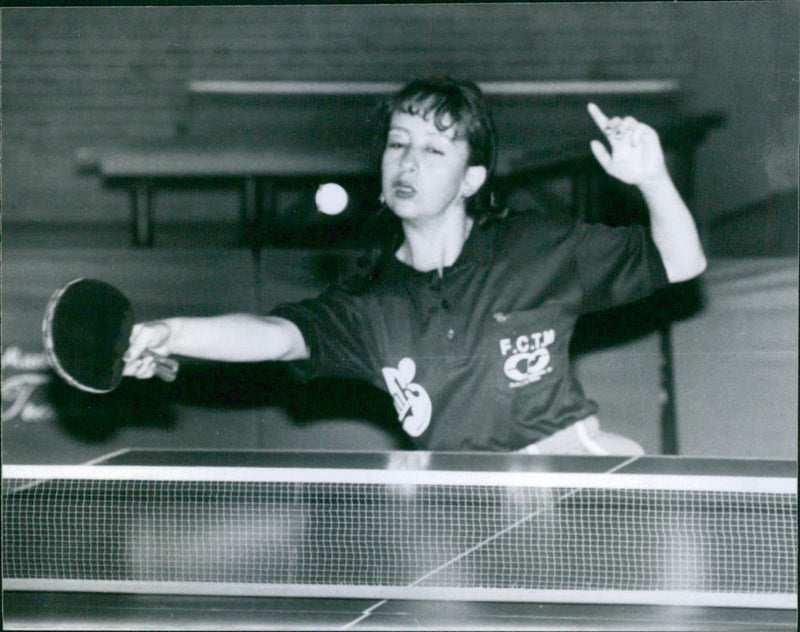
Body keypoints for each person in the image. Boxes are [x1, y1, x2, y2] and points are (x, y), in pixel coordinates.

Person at [124, 77, 706, 455]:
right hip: (458, 507)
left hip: (574, 480)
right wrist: (170, 332)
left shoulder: (535, 246)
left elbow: (682, 263)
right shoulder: (369, 301)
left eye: (432, 150)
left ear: (470, 180)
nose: (407, 161)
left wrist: (652, 178)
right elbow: (276, 337)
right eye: (397, 143)